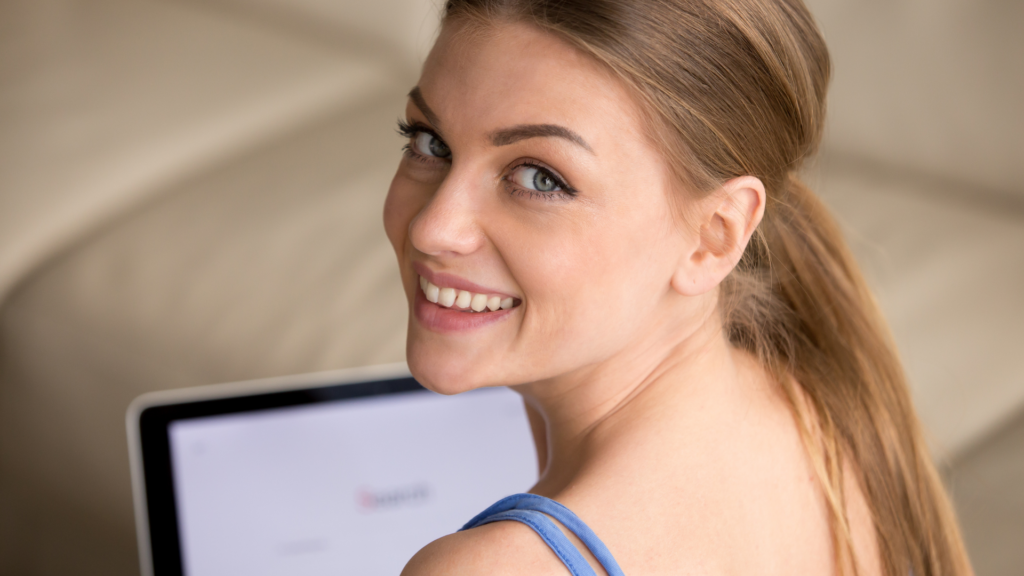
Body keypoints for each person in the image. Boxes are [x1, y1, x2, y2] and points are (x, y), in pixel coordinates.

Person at [383, 1, 974, 574]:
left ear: (714, 237)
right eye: (430, 142)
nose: (433, 228)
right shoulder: (827, 418)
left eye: (541, 178)